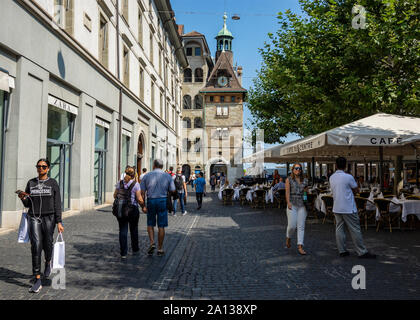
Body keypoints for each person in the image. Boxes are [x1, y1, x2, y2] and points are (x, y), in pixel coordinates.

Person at [17, 159, 64, 293]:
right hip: (34, 217)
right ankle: (37, 279)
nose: (41, 169)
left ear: (48, 168)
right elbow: (27, 204)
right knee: (36, 246)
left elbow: (57, 204)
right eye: (39, 166)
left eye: (43, 167)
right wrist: (22, 197)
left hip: (49, 217)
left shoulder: (53, 183)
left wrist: (59, 221)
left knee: (48, 243)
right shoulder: (31, 183)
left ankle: (48, 261)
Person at [329, 157, 376, 259]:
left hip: (337, 206)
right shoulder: (348, 177)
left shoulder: (331, 177)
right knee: (355, 229)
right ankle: (362, 251)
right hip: (348, 207)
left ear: (336, 165)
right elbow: (356, 190)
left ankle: (342, 250)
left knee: (339, 229)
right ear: (345, 165)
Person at [140, 159, 175, 257]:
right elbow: (173, 190)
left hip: (151, 201)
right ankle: (160, 248)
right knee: (161, 225)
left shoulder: (147, 176)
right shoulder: (167, 176)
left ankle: (152, 243)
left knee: (150, 223)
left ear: (154, 165)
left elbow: (142, 192)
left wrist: (143, 206)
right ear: (162, 166)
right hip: (162, 201)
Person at [113, 166, 146, 259]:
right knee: (134, 229)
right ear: (134, 175)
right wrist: (143, 206)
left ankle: (123, 253)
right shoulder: (136, 184)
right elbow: (139, 199)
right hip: (132, 209)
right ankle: (135, 249)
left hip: (121, 209)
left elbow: (114, 195)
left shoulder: (120, 183)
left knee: (122, 230)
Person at [285, 163, 309, 255]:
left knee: (301, 226)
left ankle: (300, 246)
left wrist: (306, 194)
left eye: (299, 168)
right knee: (291, 226)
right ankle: (288, 237)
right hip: (292, 204)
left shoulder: (305, 180)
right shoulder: (289, 179)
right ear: (293, 169)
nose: (298, 170)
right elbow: (287, 193)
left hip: (302, 204)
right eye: (296, 168)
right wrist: (288, 203)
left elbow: (306, 193)